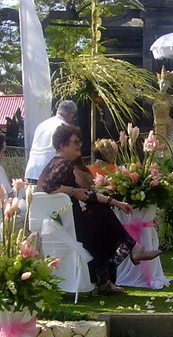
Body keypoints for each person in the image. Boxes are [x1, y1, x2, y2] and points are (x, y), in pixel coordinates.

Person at [36, 124, 161, 295]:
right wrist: (73, 191)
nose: (79, 145)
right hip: (66, 226)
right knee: (102, 219)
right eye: (75, 142)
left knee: (102, 214)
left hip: (61, 224)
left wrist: (115, 202)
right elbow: (48, 186)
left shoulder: (56, 163)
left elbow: (87, 194)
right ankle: (129, 254)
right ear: (62, 145)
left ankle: (110, 274)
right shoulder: (63, 164)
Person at [24, 101, 78, 182]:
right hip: (49, 172)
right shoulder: (64, 127)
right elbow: (68, 150)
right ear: (71, 114)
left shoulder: (42, 124)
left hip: (31, 170)